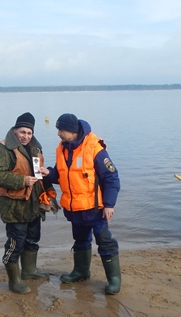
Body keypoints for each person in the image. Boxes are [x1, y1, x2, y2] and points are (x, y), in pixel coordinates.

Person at [40, 113, 122, 295]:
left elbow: (112, 177)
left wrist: (109, 204)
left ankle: (114, 279)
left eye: (61, 130)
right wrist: (49, 173)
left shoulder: (94, 147)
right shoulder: (62, 148)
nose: (58, 134)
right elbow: (62, 176)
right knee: (80, 241)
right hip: (74, 208)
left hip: (95, 209)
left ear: (72, 131)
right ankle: (81, 272)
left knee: (105, 241)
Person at [0, 112, 55, 294]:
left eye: (29, 133)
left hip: (33, 204)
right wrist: (22, 181)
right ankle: (14, 281)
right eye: (22, 132)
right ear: (15, 130)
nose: (26, 136)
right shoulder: (3, 149)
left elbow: (38, 174)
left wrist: (46, 184)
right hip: (14, 207)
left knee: (33, 239)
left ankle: (29, 271)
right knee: (15, 243)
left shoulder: (35, 148)